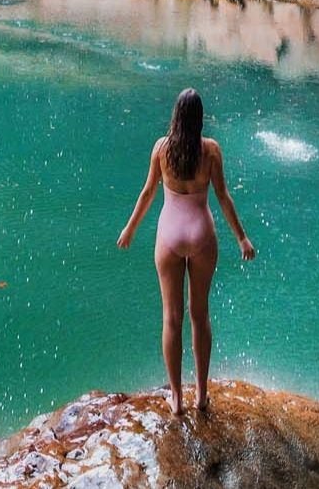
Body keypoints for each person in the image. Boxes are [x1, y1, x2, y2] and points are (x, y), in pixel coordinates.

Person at [117, 87, 256, 415]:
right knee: (200, 315)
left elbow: (148, 192)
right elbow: (223, 196)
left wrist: (130, 229)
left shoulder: (162, 149)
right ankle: (202, 395)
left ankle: (177, 399)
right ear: (200, 118)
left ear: (176, 116)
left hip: (170, 235)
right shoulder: (211, 151)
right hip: (201, 235)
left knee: (172, 317)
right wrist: (242, 238)